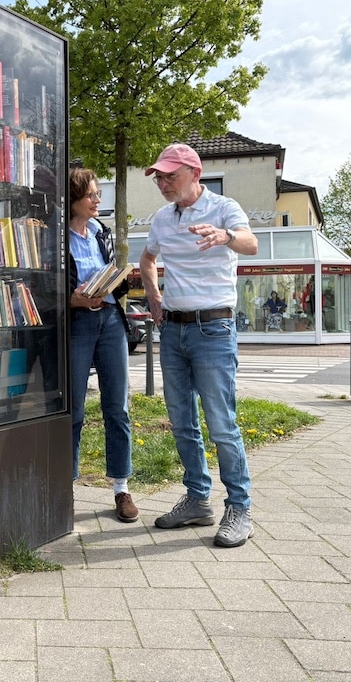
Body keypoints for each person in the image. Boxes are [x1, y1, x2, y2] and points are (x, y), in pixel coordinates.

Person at [138, 143, 259, 547]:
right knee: (183, 423)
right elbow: (147, 259)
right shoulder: (161, 218)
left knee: (222, 424)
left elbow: (250, 243)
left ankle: (239, 507)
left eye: (170, 175)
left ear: (195, 172)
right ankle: (197, 499)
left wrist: (225, 236)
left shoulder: (224, 207)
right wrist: (154, 295)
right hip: (172, 330)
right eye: (159, 176)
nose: (163, 182)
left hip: (213, 330)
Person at [67, 167, 137, 523]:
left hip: (110, 321)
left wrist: (120, 281)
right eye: (91, 194)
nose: (97, 199)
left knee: (118, 408)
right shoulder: (57, 238)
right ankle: (67, 489)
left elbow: (108, 274)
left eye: (98, 193)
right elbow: (50, 287)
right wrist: (74, 300)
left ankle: (121, 488)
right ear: (73, 199)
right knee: (74, 411)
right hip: (78, 323)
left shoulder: (100, 232)